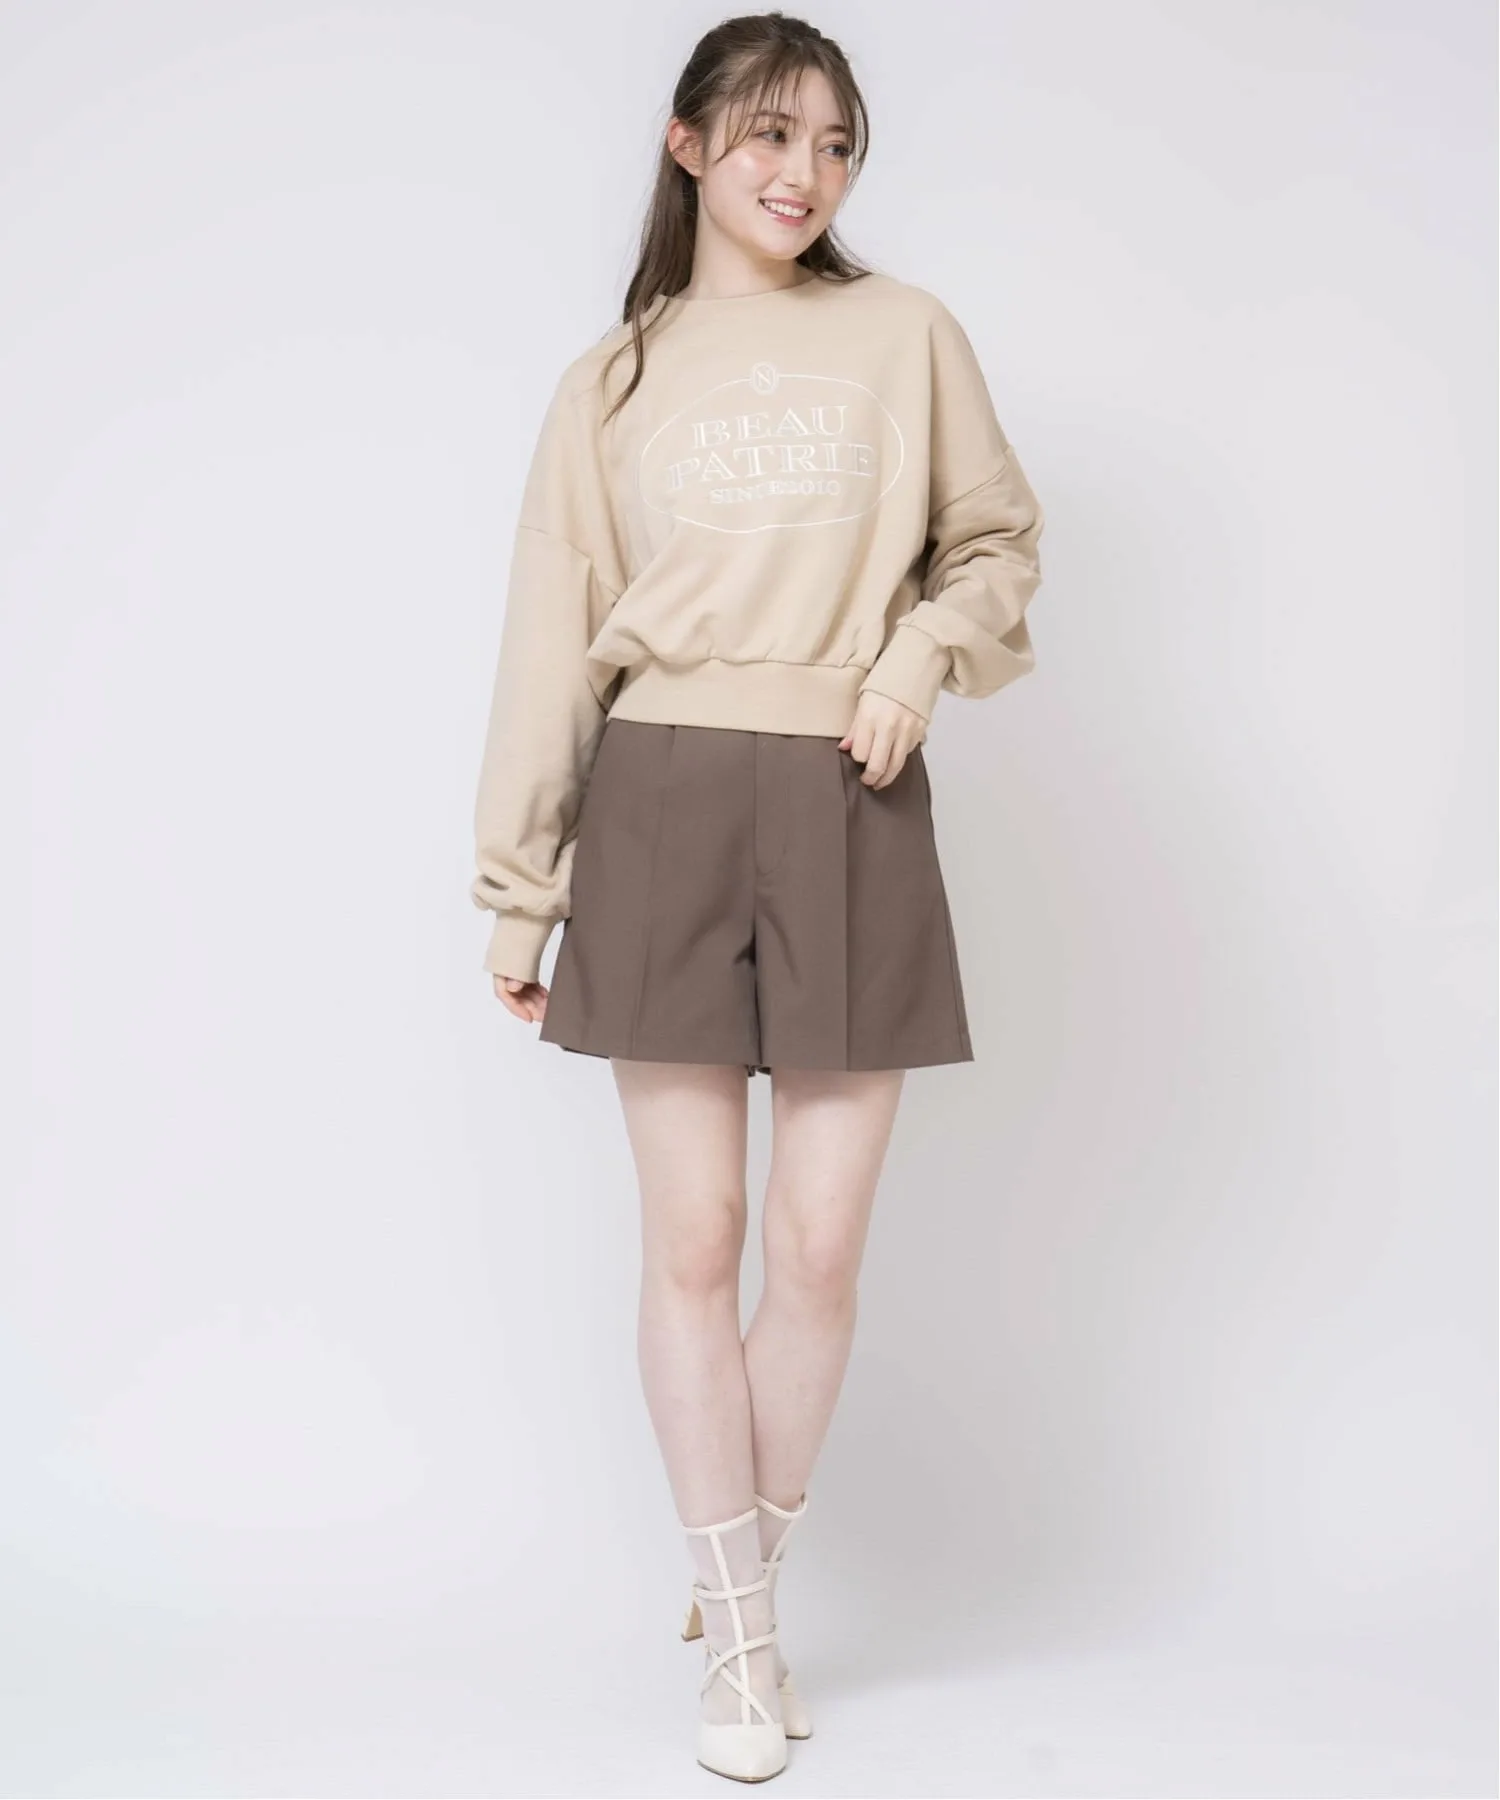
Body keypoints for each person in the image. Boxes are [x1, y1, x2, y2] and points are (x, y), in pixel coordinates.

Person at [469, 12, 1045, 1783]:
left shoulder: (905, 334)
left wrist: (916, 662)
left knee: (816, 1248)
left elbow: (995, 542)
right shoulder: (612, 380)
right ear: (690, 143)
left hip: (848, 787)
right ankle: (746, 1646)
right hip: (657, 794)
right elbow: (552, 635)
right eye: (773, 135)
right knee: (698, 1240)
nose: (806, 174)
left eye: (837, 143)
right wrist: (519, 888)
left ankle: (738, 1586)